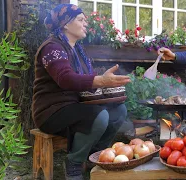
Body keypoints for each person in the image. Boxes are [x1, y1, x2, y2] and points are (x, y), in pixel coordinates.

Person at [32, 4, 131, 179]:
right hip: (51, 111)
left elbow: (85, 83)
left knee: (118, 111)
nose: (86, 23)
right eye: (80, 19)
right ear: (65, 24)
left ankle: (94, 156)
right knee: (99, 116)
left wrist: (109, 88)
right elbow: (65, 78)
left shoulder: (78, 51)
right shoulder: (52, 48)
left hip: (75, 106)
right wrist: (100, 81)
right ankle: (74, 162)